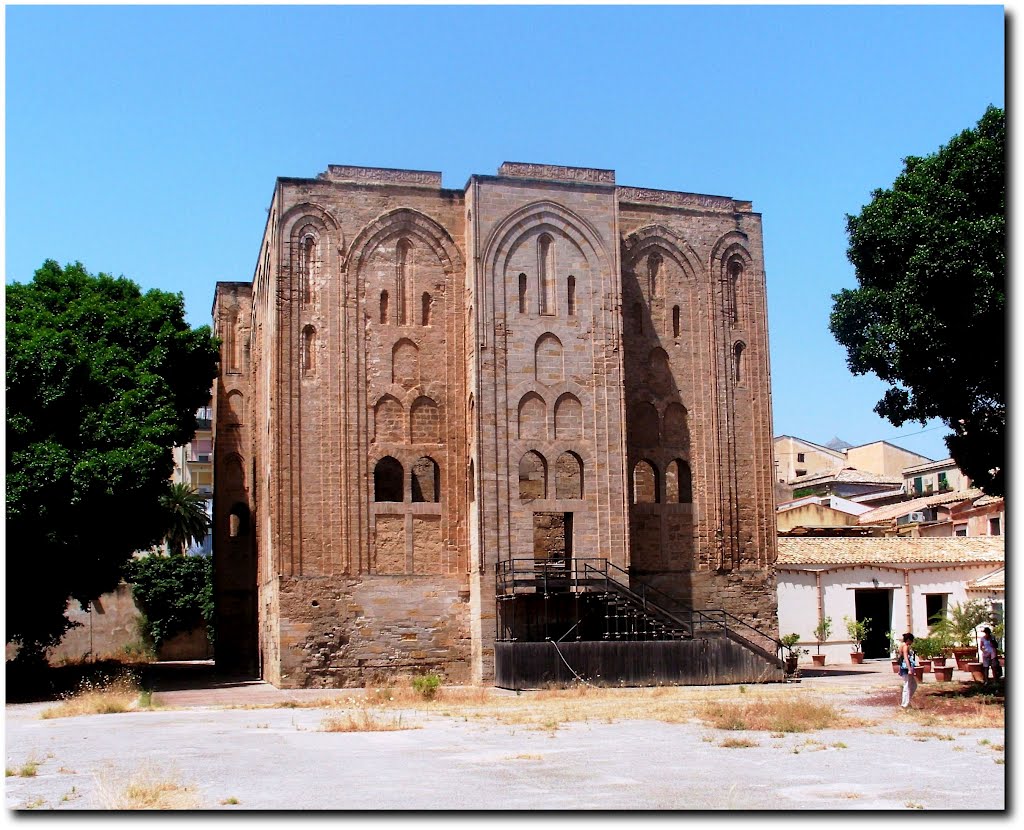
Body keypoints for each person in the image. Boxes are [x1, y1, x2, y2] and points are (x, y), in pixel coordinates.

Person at [898, 632, 918, 709]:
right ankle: (904, 704)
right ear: (909, 640)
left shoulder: (901, 646)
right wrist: (910, 669)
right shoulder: (905, 647)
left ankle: (907, 701)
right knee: (907, 686)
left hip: (904, 668)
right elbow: (906, 658)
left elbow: (900, 658)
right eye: (911, 640)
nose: (912, 642)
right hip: (906, 668)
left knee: (913, 685)